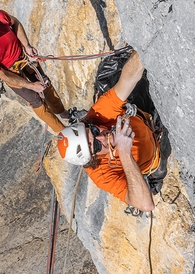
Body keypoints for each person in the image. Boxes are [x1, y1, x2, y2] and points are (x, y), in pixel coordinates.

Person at [57, 51, 167, 212]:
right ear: (92, 159)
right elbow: (146, 205)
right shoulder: (101, 174)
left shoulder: (97, 116)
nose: (101, 135)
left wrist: (144, 48)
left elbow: (128, 79)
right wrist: (124, 153)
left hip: (146, 120)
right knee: (158, 173)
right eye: (95, 145)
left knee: (121, 77)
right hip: (151, 161)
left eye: (93, 130)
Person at [0, 9, 69, 132]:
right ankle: (64, 132)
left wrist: (27, 46)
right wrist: (31, 85)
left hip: (24, 57)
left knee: (45, 84)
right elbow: (5, 76)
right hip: (11, 73)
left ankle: (64, 114)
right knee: (35, 101)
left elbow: (15, 23)